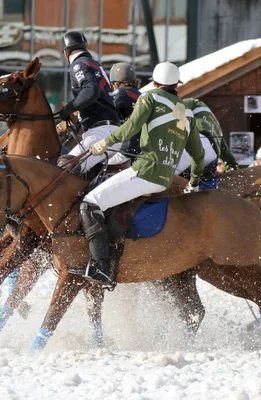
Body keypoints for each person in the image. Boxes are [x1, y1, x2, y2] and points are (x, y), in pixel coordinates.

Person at [73, 61, 205, 286]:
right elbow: (198, 155)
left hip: (144, 172)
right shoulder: (186, 113)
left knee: (90, 203)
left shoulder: (150, 98)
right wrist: (193, 183)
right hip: (165, 180)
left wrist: (103, 143)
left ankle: (101, 266)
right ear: (176, 84)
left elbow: (130, 128)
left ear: (154, 82)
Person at [59, 31, 127, 171]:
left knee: (64, 167)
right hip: (112, 131)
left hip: (100, 133)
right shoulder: (93, 63)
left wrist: (69, 108)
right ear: (86, 48)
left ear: (66, 53)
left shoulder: (78, 64)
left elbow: (91, 91)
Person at [183, 98, 238, 172]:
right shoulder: (217, 128)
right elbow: (228, 158)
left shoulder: (191, 103)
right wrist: (233, 171)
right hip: (211, 156)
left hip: (199, 144)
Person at [109, 62, 142, 161]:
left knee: (97, 167)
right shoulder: (142, 96)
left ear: (116, 83)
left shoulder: (121, 93)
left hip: (126, 148)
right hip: (141, 149)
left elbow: (105, 109)